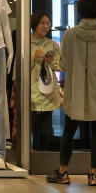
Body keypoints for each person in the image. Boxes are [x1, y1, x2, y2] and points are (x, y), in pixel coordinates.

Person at [47, 0, 96, 187]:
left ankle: (63, 172)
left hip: (75, 89)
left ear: (79, 10)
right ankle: (93, 174)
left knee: (69, 131)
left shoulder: (70, 35)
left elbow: (62, 64)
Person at [30, 10, 63, 151]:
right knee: (36, 130)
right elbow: (20, 68)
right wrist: (33, 58)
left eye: (47, 23)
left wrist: (50, 61)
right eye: (42, 23)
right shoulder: (26, 42)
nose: (45, 26)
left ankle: (43, 158)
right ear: (34, 24)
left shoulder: (52, 44)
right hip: (32, 91)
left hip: (49, 91)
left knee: (46, 131)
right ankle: (35, 158)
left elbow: (59, 67)